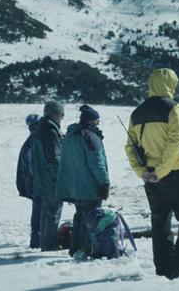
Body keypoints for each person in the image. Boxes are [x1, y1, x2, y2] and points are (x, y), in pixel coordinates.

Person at [127, 68, 179, 279]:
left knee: (160, 222)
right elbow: (175, 140)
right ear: (170, 84)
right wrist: (162, 170)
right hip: (175, 173)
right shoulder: (174, 108)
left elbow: (130, 147)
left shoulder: (137, 113)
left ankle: (164, 268)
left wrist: (143, 172)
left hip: (150, 177)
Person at [56, 105, 110, 257]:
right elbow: (97, 163)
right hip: (89, 187)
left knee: (79, 216)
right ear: (92, 122)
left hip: (74, 187)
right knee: (91, 219)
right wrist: (104, 183)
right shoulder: (91, 137)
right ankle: (86, 250)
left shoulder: (71, 135)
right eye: (97, 122)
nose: (98, 125)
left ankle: (75, 248)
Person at [32, 101, 65, 251]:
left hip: (41, 178)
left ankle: (44, 242)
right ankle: (49, 244)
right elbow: (55, 158)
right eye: (61, 115)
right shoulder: (51, 132)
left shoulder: (40, 129)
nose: (62, 118)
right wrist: (60, 179)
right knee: (53, 213)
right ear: (55, 114)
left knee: (45, 213)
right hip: (51, 180)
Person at [17, 113, 41, 248]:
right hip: (38, 184)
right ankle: (37, 241)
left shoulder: (30, 141)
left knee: (37, 212)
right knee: (39, 213)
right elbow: (33, 167)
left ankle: (36, 240)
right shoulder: (34, 142)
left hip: (33, 184)